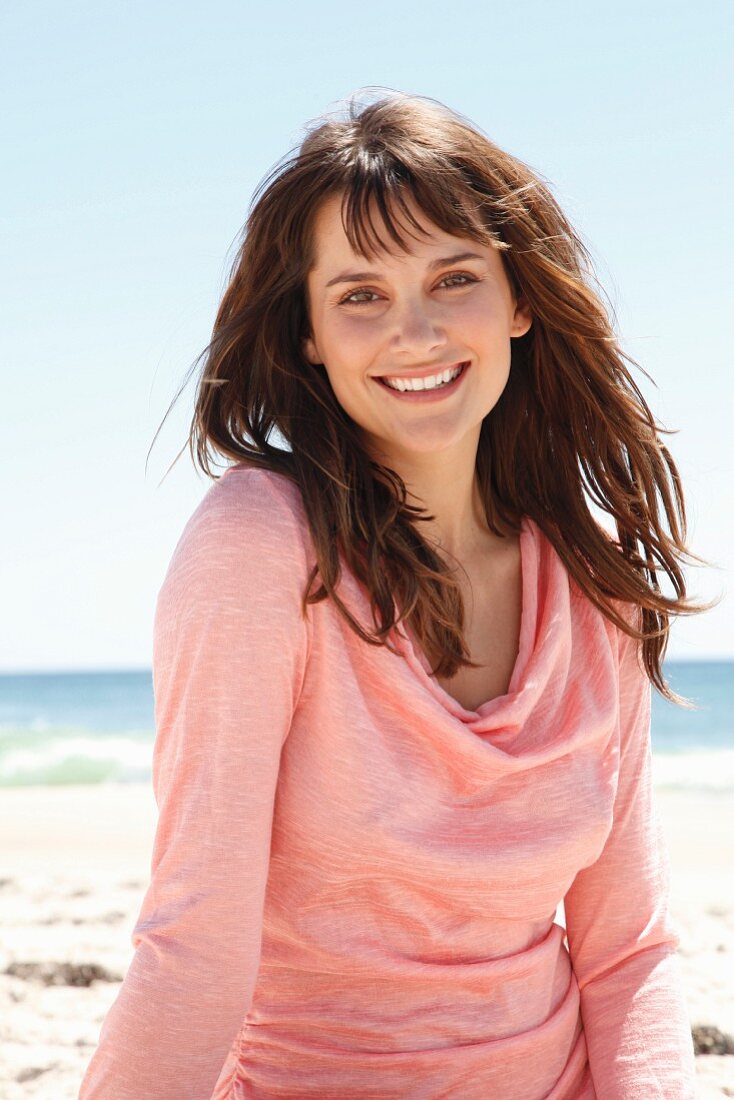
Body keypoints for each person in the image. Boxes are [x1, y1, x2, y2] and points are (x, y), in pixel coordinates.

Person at [78, 88, 714, 1099]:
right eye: (359, 295)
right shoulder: (260, 549)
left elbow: (625, 945)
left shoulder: (592, 579)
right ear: (307, 338)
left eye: (451, 278)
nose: (412, 331)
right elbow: (194, 942)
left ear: (516, 299)